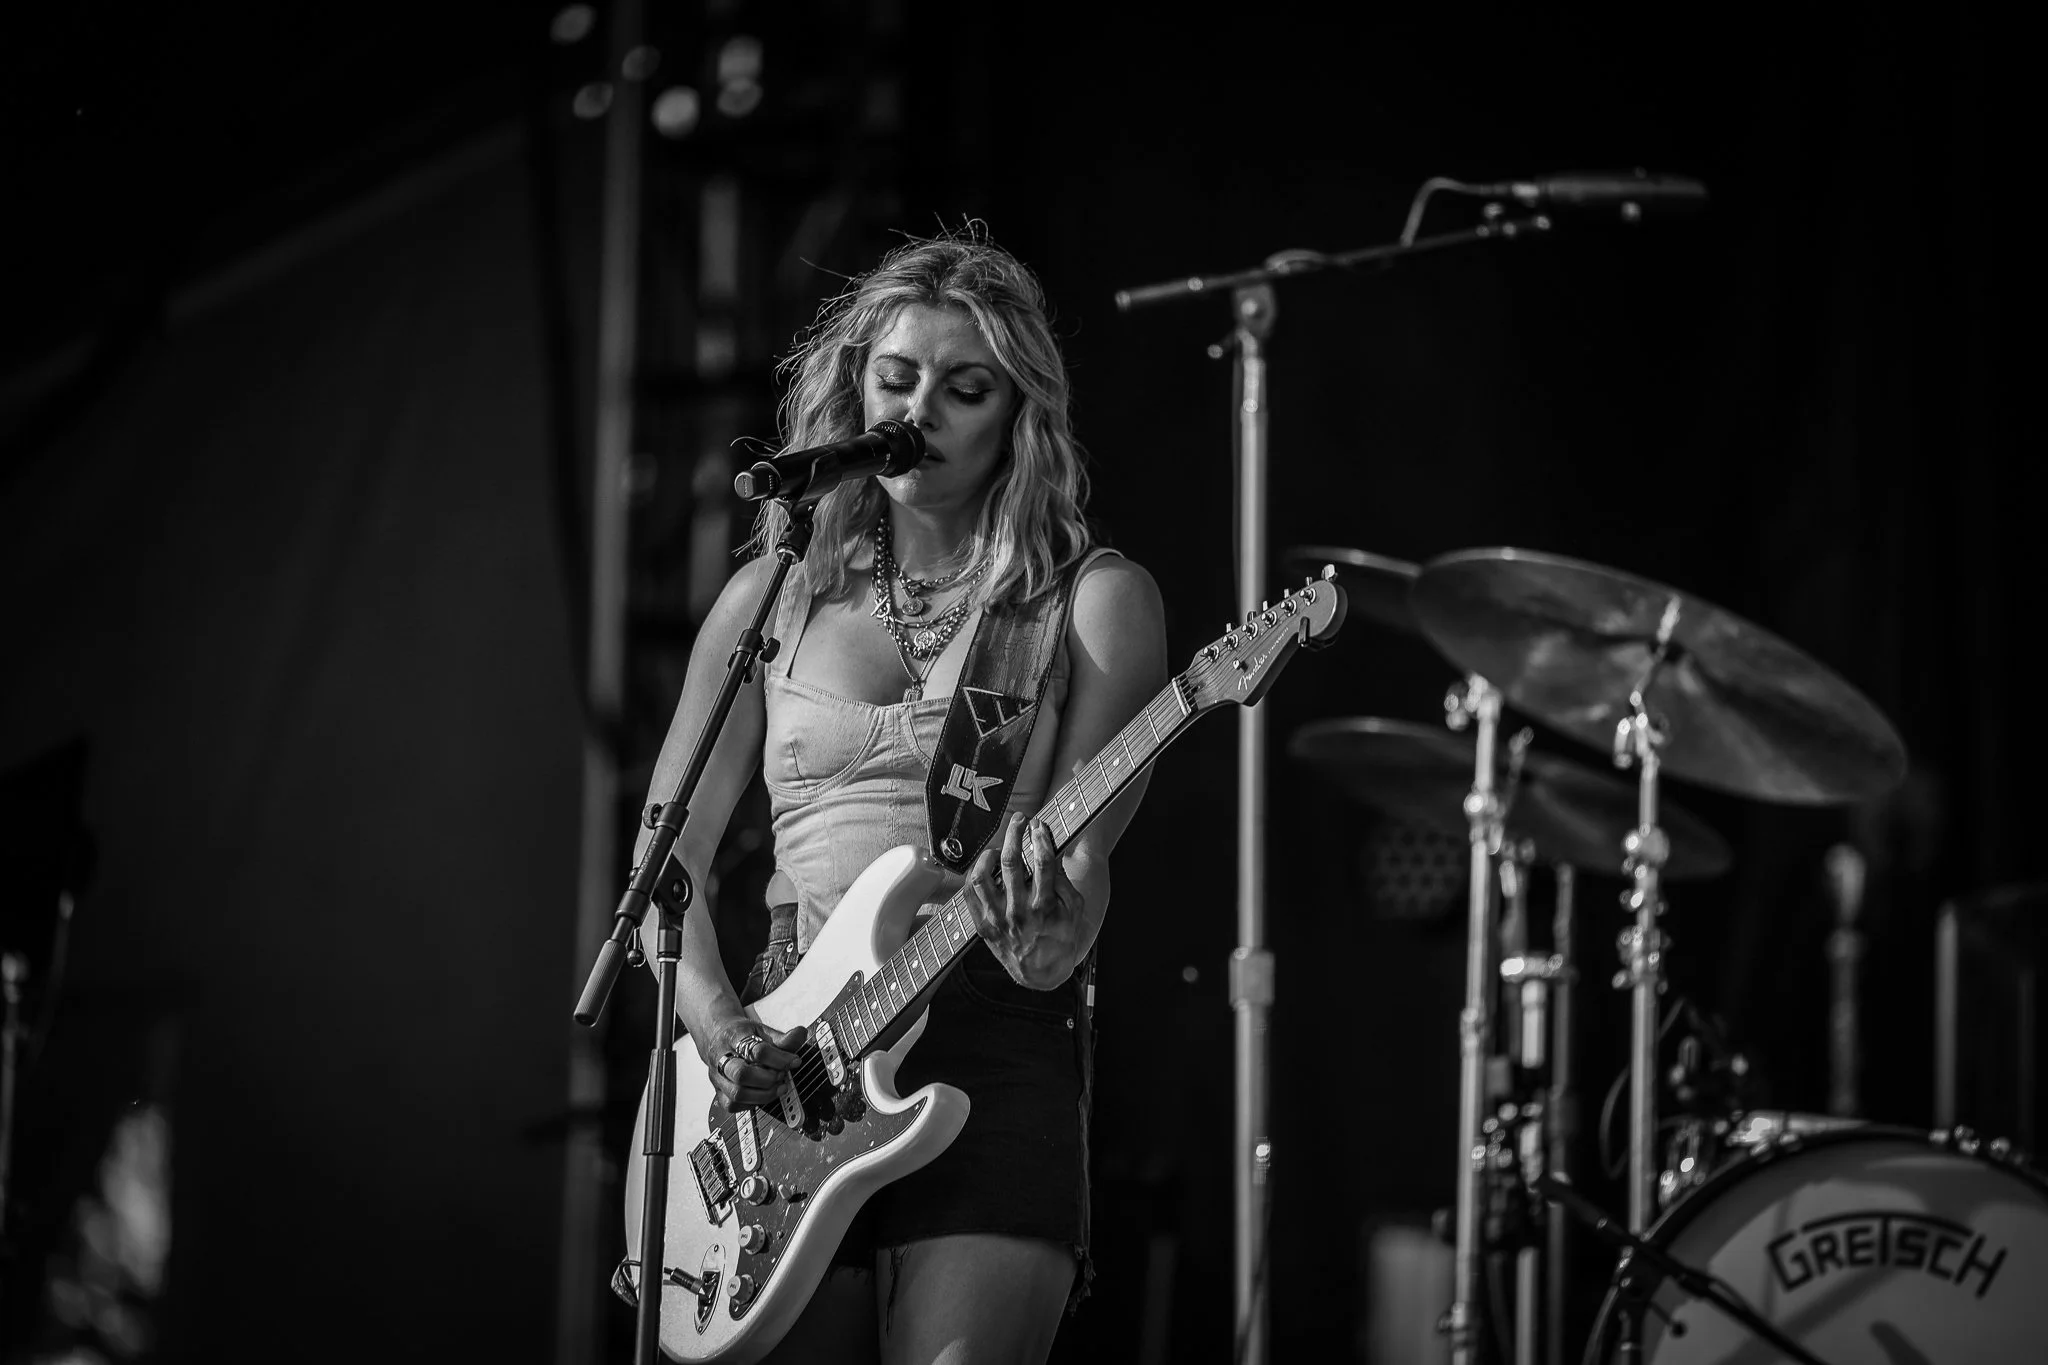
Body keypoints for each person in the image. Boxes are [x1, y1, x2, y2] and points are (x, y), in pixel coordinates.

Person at [634, 226, 1168, 1364]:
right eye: (896, 378)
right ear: (855, 392)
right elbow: (663, 862)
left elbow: (1071, 897)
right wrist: (719, 1026)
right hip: (785, 1066)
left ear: (1016, 415)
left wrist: (1053, 927)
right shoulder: (772, 597)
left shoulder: (1090, 604)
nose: (920, 410)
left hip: (988, 1040)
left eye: (964, 389)